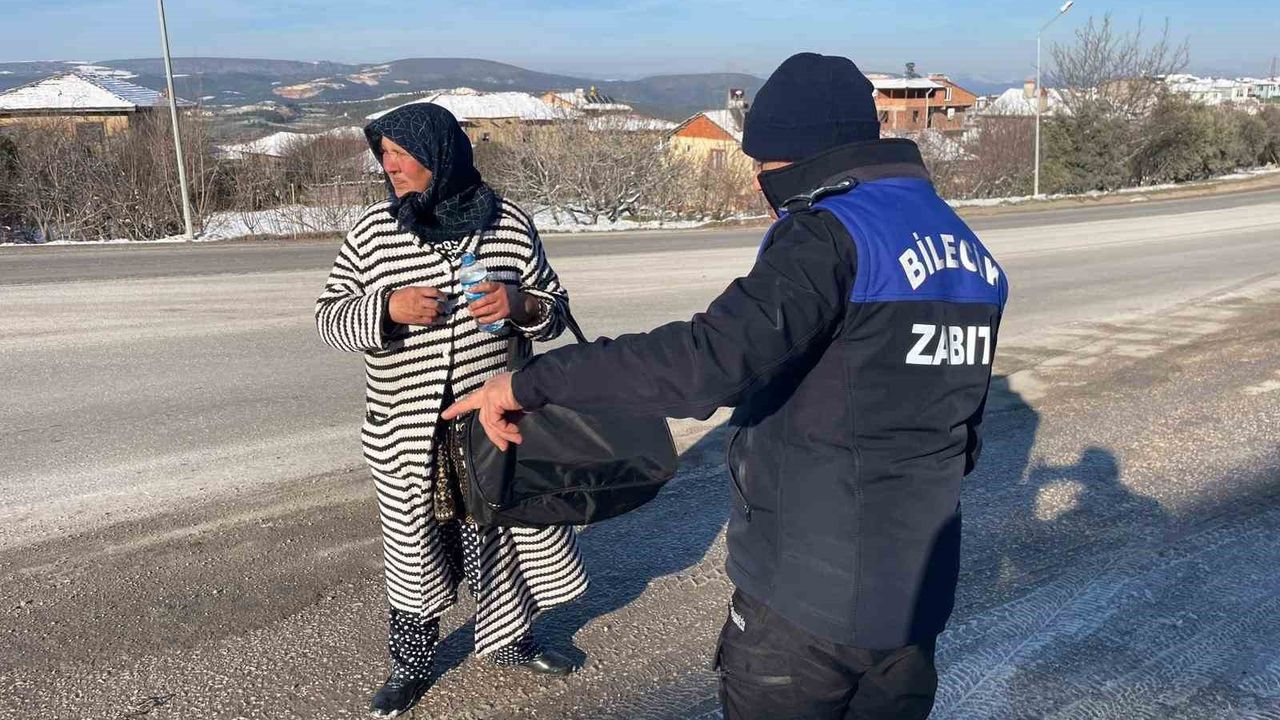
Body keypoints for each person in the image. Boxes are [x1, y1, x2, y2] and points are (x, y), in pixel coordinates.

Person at [444, 53, 1009, 719]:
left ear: (796, 157)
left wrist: (529, 382)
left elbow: (705, 363)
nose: (760, 180)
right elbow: (961, 430)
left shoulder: (829, 233)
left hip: (809, 598)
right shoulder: (966, 248)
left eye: (763, 165)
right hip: (915, 596)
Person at [315, 103, 586, 718]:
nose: (391, 167)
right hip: (408, 434)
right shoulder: (373, 233)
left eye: (402, 154)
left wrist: (520, 304)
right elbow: (328, 319)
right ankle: (410, 665)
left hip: (492, 426)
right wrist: (385, 309)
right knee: (416, 552)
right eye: (383, 155)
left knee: (502, 538)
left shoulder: (508, 224)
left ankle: (511, 641)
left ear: (442, 155)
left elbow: (554, 309)